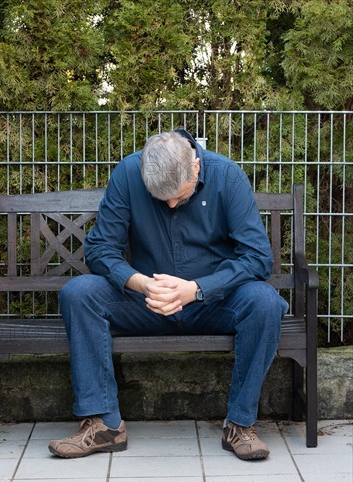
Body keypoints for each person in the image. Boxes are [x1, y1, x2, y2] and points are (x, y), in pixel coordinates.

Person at [48, 129, 288, 461]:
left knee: (265, 302)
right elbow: (101, 249)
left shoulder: (227, 175)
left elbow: (258, 258)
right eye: (163, 199)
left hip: (212, 303)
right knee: (78, 293)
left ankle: (239, 425)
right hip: (147, 301)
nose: (172, 203)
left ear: (196, 167)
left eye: (179, 195)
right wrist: (139, 283)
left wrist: (198, 289)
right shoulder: (129, 173)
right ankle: (104, 426)